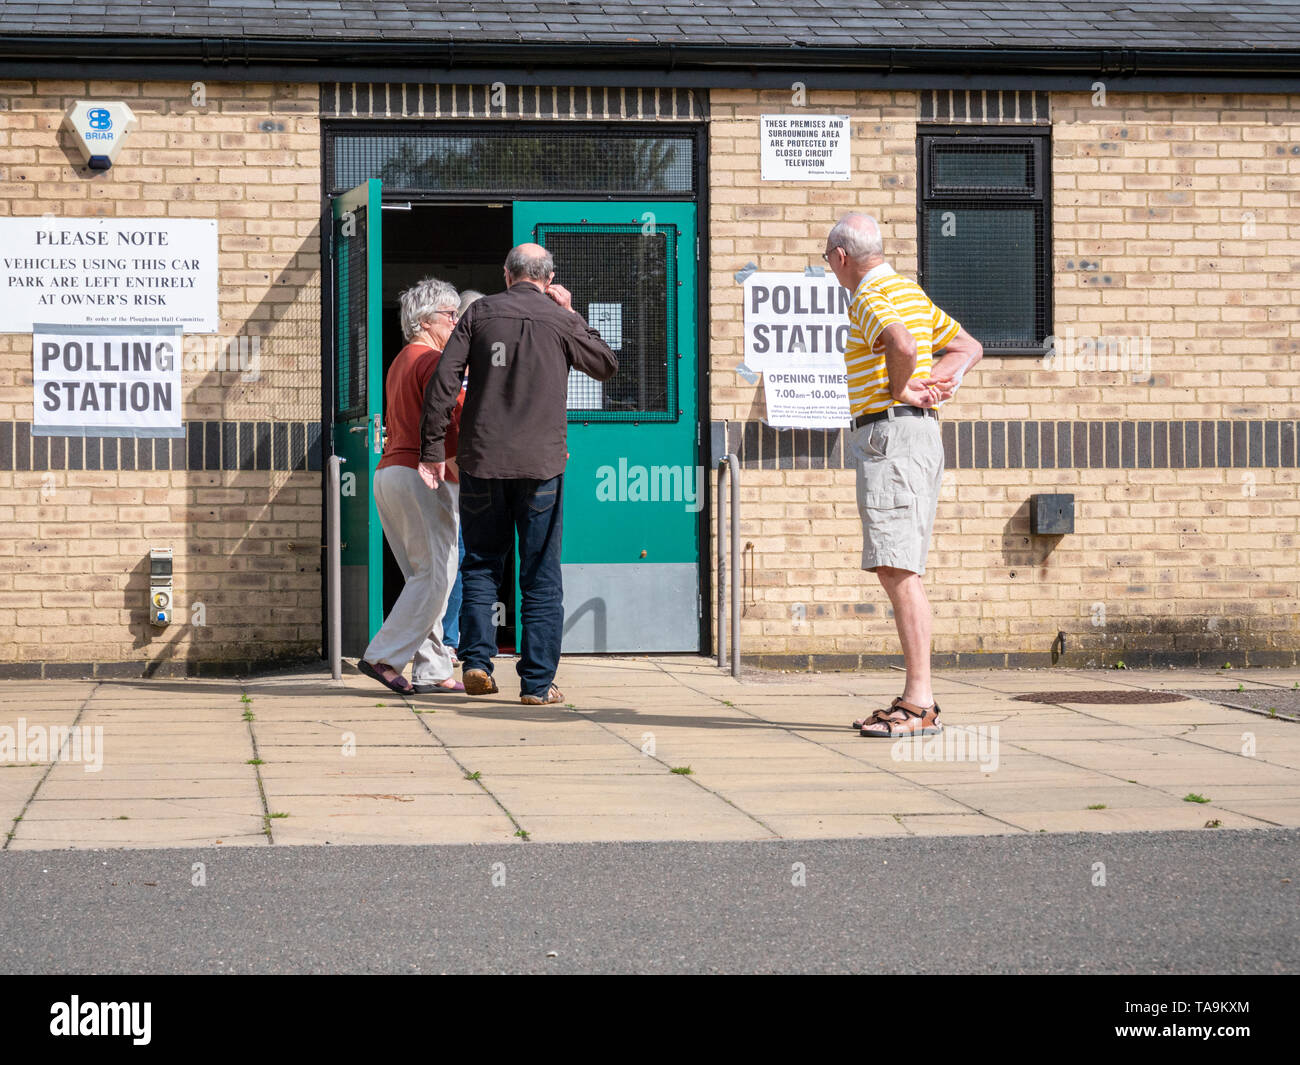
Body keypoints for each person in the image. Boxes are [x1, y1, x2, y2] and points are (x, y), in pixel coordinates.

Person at [418, 245, 618, 704]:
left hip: (482, 461)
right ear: (548, 280)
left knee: (482, 563)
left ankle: (476, 663)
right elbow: (606, 364)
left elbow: (444, 381)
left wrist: (431, 450)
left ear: (506, 275)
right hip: (541, 466)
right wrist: (572, 311)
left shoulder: (480, 314)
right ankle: (536, 684)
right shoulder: (560, 318)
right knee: (541, 574)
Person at [821, 213, 982, 738]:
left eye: (828, 260)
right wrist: (941, 381)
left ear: (842, 257)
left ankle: (919, 703)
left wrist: (903, 389)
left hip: (890, 436)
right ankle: (918, 698)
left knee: (897, 568)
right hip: (914, 437)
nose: (830, 269)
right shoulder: (906, 290)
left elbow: (903, 345)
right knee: (899, 566)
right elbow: (968, 347)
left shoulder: (869, 296)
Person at [358, 277, 467, 695]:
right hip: (423, 476)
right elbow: (456, 415)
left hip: (390, 474)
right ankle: (384, 657)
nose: (456, 323)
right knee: (436, 577)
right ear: (425, 321)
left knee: (424, 577)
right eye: (449, 315)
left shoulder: (402, 360)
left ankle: (434, 668)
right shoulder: (432, 362)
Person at [440, 289, 483, 662]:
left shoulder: (486, 368)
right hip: (453, 475)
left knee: (473, 557)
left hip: (479, 474)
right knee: (457, 556)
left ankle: (466, 640)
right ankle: (449, 639)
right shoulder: (448, 366)